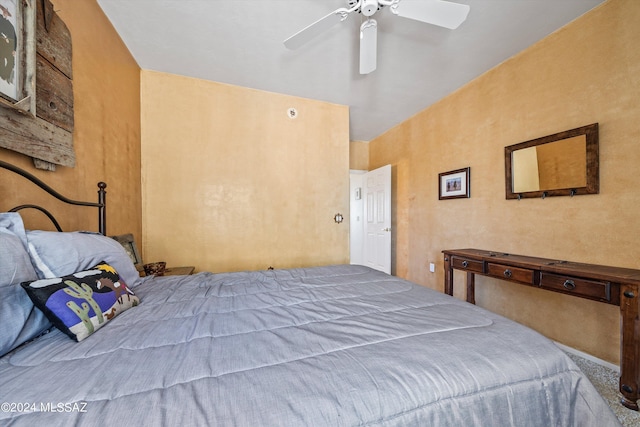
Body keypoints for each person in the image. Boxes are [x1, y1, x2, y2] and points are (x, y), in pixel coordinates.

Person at [0, 3, 16, 84]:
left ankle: (6, 75)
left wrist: (14, 49)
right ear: (3, 12)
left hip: (9, 45)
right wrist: (3, 37)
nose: (5, 13)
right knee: (1, 59)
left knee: (11, 61)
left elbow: (14, 37)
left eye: (7, 13)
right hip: (1, 43)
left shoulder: (10, 25)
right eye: (4, 12)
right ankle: (2, 75)